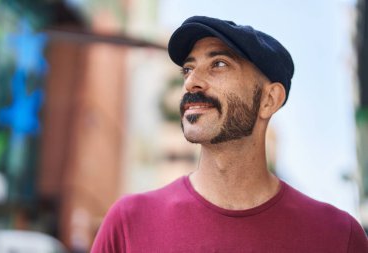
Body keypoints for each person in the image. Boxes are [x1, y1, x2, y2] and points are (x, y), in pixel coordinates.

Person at [91, 16, 368, 253]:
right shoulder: (129, 223)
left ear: (269, 99)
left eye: (219, 64)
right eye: (188, 68)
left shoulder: (337, 237)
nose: (191, 81)